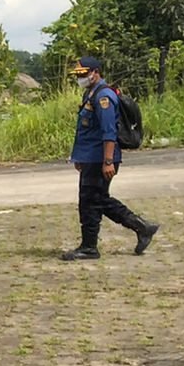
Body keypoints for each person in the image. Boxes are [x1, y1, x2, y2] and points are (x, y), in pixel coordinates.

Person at [62, 56, 158, 260]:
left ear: (95, 72)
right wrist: (78, 157)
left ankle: (90, 247)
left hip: (100, 159)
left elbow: (108, 132)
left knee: (91, 201)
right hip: (91, 157)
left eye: (83, 74)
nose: (80, 78)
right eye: (78, 75)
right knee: (97, 200)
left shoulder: (104, 97)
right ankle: (142, 228)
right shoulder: (91, 93)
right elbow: (86, 132)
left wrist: (107, 161)